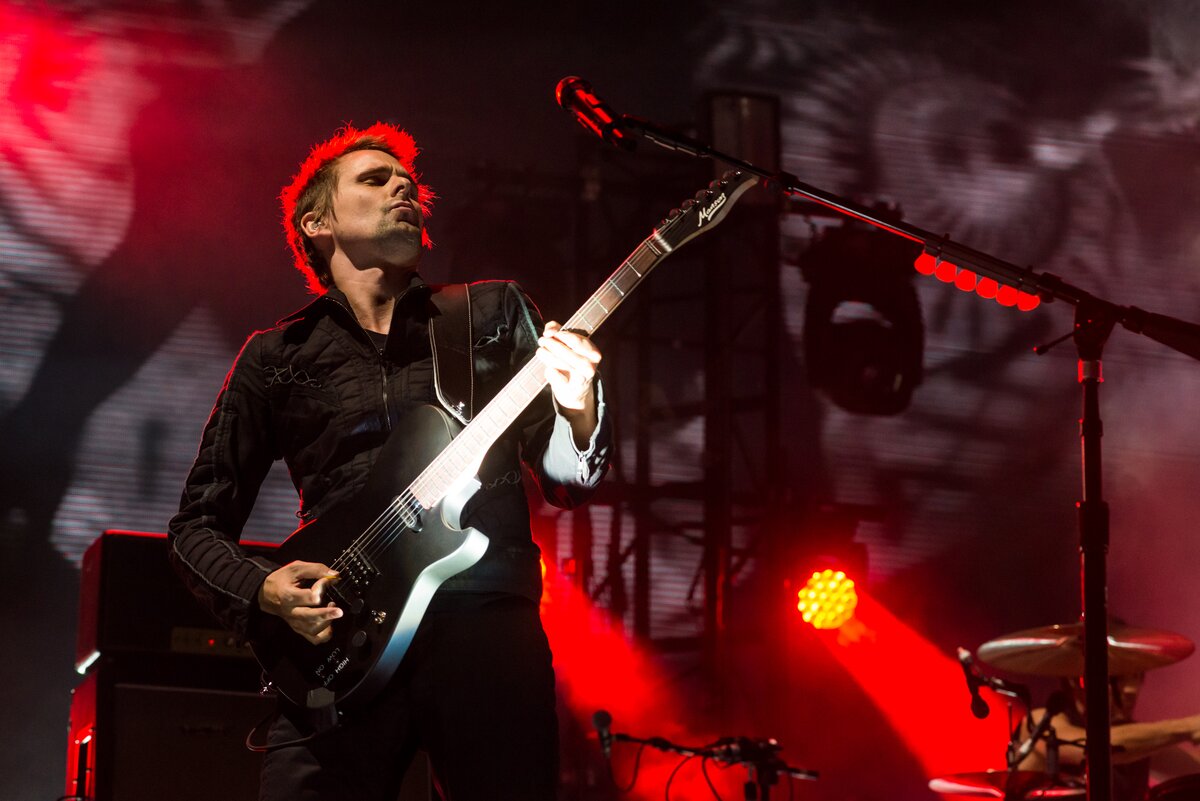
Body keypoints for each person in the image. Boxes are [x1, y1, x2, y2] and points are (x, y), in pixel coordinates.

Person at [168, 122, 613, 801]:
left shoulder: (491, 313)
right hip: (338, 638)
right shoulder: (275, 356)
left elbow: (565, 482)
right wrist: (265, 590)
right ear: (317, 223)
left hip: (485, 629)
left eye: (410, 182)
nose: (404, 188)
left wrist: (578, 407)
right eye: (375, 179)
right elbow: (195, 527)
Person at [1017, 673, 1200, 801]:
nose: (1131, 689)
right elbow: (1095, 748)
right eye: (1119, 676)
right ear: (1078, 679)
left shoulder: (1140, 741)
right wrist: (1188, 726)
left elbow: (1191, 765)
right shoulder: (1040, 721)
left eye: (1136, 676)